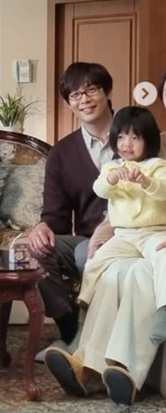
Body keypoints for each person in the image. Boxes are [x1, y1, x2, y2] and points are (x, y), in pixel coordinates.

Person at [44, 72, 166, 406]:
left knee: (140, 274)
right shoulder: (145, 145)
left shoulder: (155, 160)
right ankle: (87, 365)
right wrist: (105, 230)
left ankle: (123, 370)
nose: (127, 142)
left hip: (157, 239)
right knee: (114, 273)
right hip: (128, 237)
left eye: (91, 90)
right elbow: (115, 200)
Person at [28, 62, 114, 361]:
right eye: (75, 95)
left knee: (87, 256)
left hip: (133, 233)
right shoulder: (62, 153)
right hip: (87, 239)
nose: (84, 100)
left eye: (92, 90)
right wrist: (43, 227)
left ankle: (95, 344)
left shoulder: (134, 134)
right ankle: (69, 333)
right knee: (38, 250)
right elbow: (56, 215)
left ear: (107, 92)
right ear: (68, 103)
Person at [78, 106, 166, 321]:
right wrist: (112, 179)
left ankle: (164, 310)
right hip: (123, 235)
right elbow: (100, 190)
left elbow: (164, 190)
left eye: (135, 138)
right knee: (96, 260)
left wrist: (146, 182)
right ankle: (85, 300)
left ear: (149, 140)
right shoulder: (112, 167)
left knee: (163, 257)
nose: (127, 144)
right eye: (121, 137)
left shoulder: (157, 166)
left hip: (153, 232)